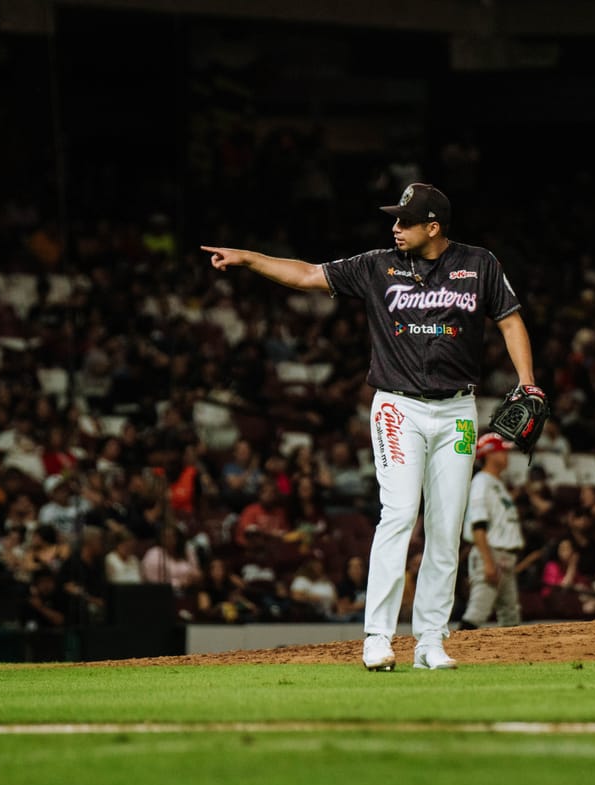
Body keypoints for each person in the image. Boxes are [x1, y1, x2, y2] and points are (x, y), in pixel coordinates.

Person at [203, 182, 538, 671]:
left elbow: (510, 320)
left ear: (433, 227)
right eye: (395, 219)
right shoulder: (377, 265)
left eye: (405, 220)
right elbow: (307, 275)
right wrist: (249, 258)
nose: (395, 227)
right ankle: (378, 637)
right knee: (400, 513)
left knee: (445, 529)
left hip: (456, 412)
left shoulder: (480, 264)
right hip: (397, 408)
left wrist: (528, 382)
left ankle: (430, 642)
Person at [458, 433, 526, 631]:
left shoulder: (496, 484)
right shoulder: (482, 482)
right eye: (501, 450)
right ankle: (457, 651)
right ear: (489, 454)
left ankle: (511, 660)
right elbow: (478, 524)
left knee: (510, 615)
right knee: (477, 612)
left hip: (504, 557)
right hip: (491, 554)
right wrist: (488, 561)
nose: (506, 454)